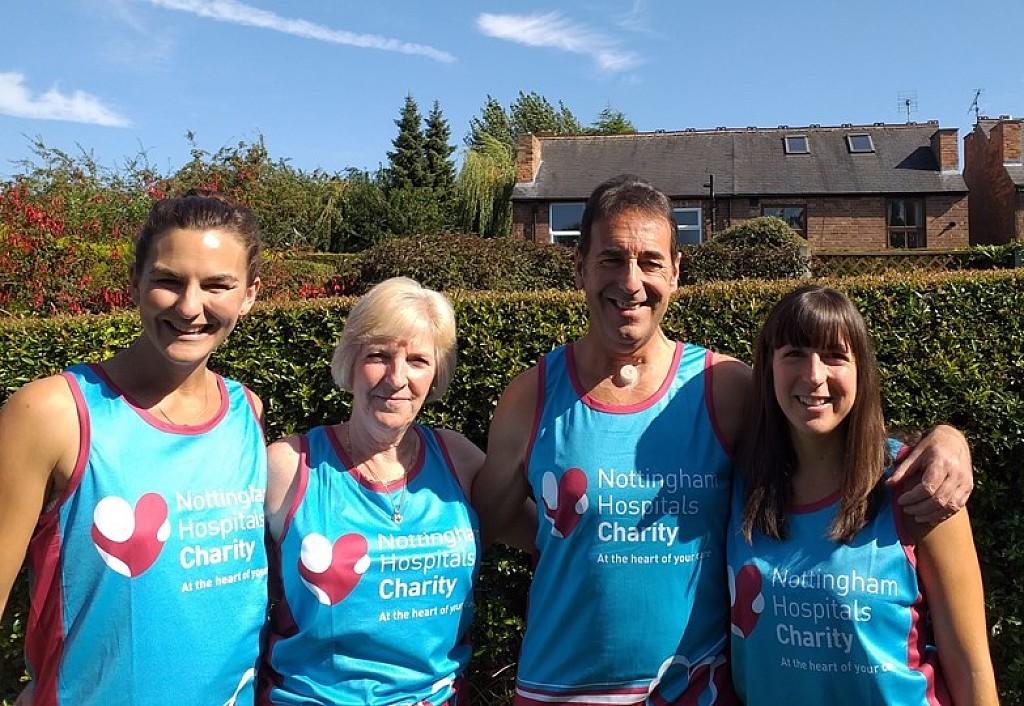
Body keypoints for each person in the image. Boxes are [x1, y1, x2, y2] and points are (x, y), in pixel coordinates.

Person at [472, 174, 976, 705]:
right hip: (556, 692)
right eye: (611, 259)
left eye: (650, 262)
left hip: (695, 693)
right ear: (579, 266)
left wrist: (948, 438)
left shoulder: (723, 387)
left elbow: (825, 419)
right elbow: (488, 516)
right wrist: (570, 534)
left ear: (676, 271)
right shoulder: (532, 395)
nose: (631, 281)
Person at [0, 190, 268, 705]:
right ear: (136, 282)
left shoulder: (247, 412)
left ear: (250, 294)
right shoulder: (54, 413)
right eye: (168, 280)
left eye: (218, 285)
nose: (190, 306)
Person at [727, 285, 998, 705]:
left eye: (834, 356)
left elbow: (971, 667)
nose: (814, 375)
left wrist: (951, 436)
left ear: (861, 371)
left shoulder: (920, 488)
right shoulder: (738, 484)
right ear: (768, 367)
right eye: (794, 353)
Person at [259, 277, 484, 706]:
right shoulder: (288, 466)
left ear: (436, 373)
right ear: (350, 362)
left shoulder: (460, 460)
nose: (397, 378)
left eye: (418, 360)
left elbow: (554, 539)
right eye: (379, 355)